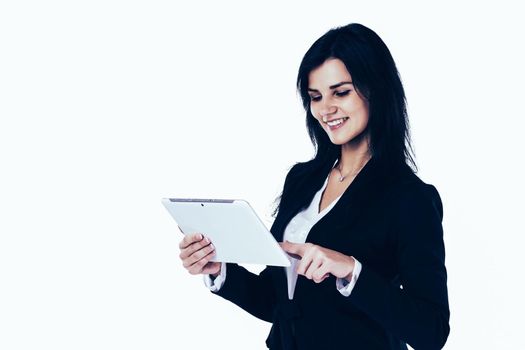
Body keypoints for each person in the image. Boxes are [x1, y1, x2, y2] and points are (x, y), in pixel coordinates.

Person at [177, 23, 450, 350]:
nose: (325, 109)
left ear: (376, 89)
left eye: (341, 92)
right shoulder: (302, 180)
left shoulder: (409, 198)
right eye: (315, 97)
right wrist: (220, 270)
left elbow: (431, 331)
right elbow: (278, 302)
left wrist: (350, 269)